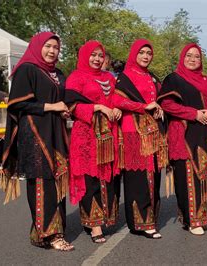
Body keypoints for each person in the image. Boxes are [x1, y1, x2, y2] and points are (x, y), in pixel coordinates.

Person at [65, 40, 151, 243]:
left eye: (100, 55)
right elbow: (72, 106)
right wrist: (98, 107)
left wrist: (118, 108)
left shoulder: (109, 78)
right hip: (86, 136)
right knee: (90, 180)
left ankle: (104, 218)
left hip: (109, 136)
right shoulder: (76, 77)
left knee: (108, 180)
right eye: (93, 55)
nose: (96, 59)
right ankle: (94, 226)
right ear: (85, 56)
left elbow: (115, 98)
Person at [1, 32, 74, 251]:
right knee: (42, 182)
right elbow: (17, 104)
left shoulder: (58, 73)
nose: (52, 51)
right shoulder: (27, 69)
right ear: (37, 46)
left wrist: (63, 112)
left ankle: (49, 230)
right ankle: (49, 234)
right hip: (34, 134)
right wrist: (51, 107)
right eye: (48, 46)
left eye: (56, 48)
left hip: (55, 132)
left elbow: (62, 100)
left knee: (56, 179)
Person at [158, 43, 207, 236]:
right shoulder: (174, 79)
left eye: (196, 57)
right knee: (185, 178)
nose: (193, 60)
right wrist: (193, 114)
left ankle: (200, 217)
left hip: (204, 135)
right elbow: (167, 104)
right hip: (182, 134)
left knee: (202, 177)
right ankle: (191, 220)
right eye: (189, 56)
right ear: (182, 58)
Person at [115, 39, 166, 239]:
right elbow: (117, 100)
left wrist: (159, 108)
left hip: (152, 132)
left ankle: (150, 219)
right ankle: (139, 223)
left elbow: (158, 100)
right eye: (142, 52)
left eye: (148, 53)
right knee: (137, 178)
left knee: (153, 176)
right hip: (133, 131)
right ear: (134, 54)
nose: (146, 56)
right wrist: (143, 107)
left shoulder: (152, 77)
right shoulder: (125, 76)